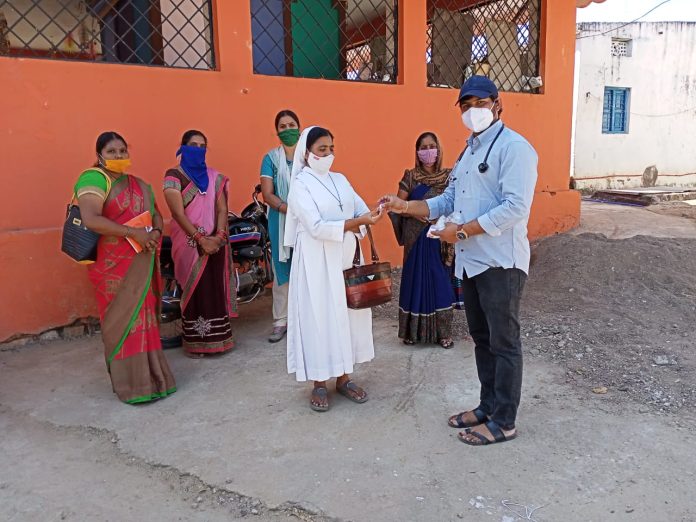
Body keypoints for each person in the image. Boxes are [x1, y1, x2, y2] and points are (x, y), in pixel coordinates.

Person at [381, 76, 538, 445]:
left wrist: (462, 232)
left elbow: (515, 207)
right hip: (471, 262)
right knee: (482, 339)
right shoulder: (467, 153)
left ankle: (504, 421)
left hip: (501, 262)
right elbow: (446, 201)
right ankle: (488, 406)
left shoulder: (515, 148)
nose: (473, 111)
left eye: (480, 104)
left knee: (504, 341)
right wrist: (405, 206)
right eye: (465, 106)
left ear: (498, 105)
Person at [284, 126, 384, 411]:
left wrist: (372, 214)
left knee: (346, 316)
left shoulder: (340, 179)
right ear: (307, 153)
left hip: (345, 258)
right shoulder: (301, 185)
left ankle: (344, 377)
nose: (328, 154)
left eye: (331, 148)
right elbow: (315, 226)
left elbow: (358, 209)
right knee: (320, 316)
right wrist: (354, 223)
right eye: (322, 149)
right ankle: (318, 382)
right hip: (316, 261)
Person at [75, 131, 176, 404]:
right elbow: (91, 218)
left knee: (145, 319)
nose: (119, 156)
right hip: (112, 267)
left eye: (122, 151)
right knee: (122, 322)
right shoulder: (93, 179)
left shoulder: (139, 184)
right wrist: (133, 234)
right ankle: (131, 386)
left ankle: (154, 379)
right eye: (112, 152)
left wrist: (155, 230)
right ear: (99, 155)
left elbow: (156, 212)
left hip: (141, 257)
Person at [163, 130, 237, 357]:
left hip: (215, 241)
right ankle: (196, 343)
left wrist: (220, 236)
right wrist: (200, 239)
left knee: (213, 288)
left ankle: (219, 340)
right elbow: (177, 212)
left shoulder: (214, 177)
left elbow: (222, 208)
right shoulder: (173, 176)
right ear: (182, 147)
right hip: (188, 242)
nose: (198, 149)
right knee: (195, 290)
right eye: (193, 145)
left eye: (202, 146)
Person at [390, 132, 456, 349]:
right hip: (415, 237)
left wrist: (441, 217)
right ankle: (411, 332)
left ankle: (443, 333)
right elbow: (399, 204)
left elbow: (455, 202)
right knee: (414, 280)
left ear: (438, 150)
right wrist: (414, 213)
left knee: (440, 281)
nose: (428, 151)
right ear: (417, 152)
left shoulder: (449, 177)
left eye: (432, 146)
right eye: (423, 147)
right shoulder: (410, 176)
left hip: (438, 237)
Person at [260, 110, 301, 343]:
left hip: (306, 222)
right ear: (277, 131)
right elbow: (267, 194)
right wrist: (289, 209)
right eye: (283, 126)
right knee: (282, 269)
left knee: (306, 268)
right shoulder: (271, 159)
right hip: (281, 219)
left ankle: (304, 320)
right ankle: (280, 321)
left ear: (300, 127)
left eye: (291, 125)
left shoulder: (308, 157)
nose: (287, 130)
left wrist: (303, 213)